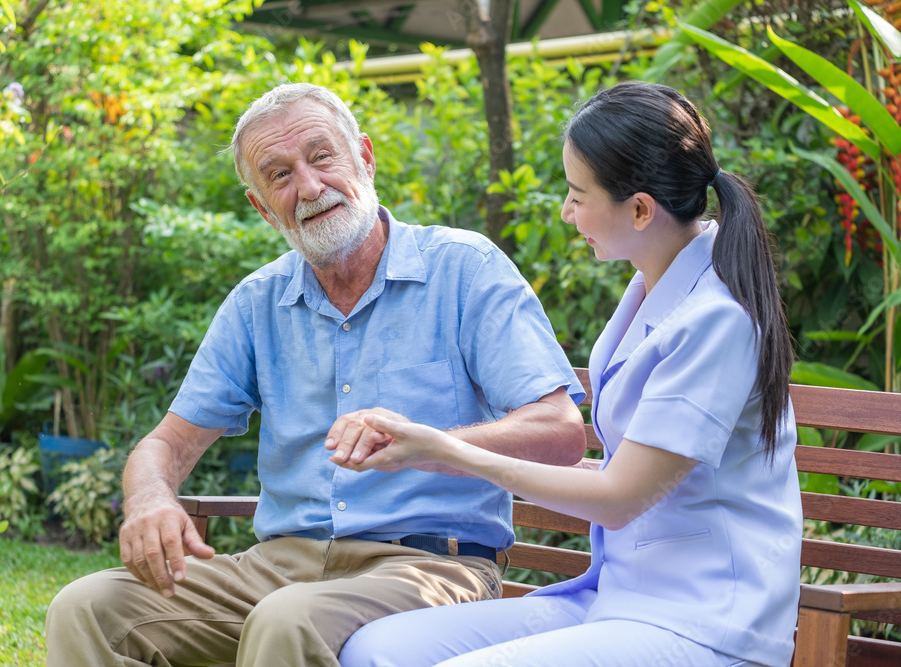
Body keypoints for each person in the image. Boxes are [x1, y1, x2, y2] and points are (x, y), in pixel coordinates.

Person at [44, 82, 589, 667]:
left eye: (321, 156)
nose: (308, 186)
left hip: (432, 565)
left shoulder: (465, 270)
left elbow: (560, 431)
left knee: (288, 620)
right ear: (261, 206)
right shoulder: (257, 302)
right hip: (279, 566)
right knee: (88, 608)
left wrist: (428, 446)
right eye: (278, 175)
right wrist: (149, 498)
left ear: (365, 157)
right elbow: (169, 441)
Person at [336, 80, 803, 667]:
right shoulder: (649, 290)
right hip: (621, 599)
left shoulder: (717, 321)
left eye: (577, 195)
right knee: (376, 649)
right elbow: (629, 470)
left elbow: (617, 498)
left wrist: (448, 451)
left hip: (706, 623)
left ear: (639, 209)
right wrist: (422, 449)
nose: (566, 211)